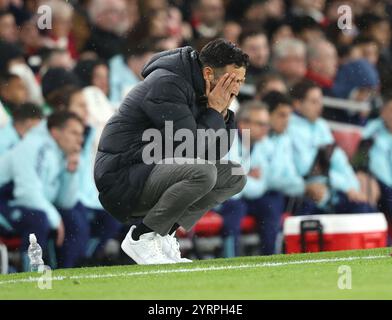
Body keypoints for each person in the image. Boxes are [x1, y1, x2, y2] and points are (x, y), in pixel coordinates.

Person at [95, 39, 248, 265]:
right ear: (208, 73)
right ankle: (141, 236)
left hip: (153, 172)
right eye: (231, 80)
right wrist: (214, 111)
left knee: (234, 175)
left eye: (241, 81)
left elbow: (214, 153)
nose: (236, 88)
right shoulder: (167, 84)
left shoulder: (202, 91)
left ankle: (163, 233)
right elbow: (189, 149)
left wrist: (222, 114)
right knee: (203, 172)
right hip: (123, 179)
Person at [0, 111, 84, 271]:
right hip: (5, 203)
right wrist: (55, 219)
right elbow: (26, 192)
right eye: (74, 133)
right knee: (37, 219)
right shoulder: (33, 146)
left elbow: (65, 202)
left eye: (81, 134)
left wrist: (70, 173)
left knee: (73, 217)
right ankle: (29, 273)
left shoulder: (58, 154)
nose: (79, 140)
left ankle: (65, 270)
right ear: (55, 132)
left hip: (20, 205)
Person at [288, 80, 375, 215]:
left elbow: (339, 160)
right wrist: (345, 187)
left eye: (320, 101)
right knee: (360, 211)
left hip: (332, 190)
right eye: (314, 102)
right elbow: (308, 168)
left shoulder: (321, 125)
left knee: (366, 208)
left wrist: (353, 188)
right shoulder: (289, 128)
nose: (320, 106)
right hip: (305, 192)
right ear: (298, 104)